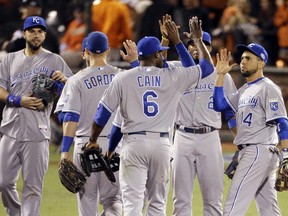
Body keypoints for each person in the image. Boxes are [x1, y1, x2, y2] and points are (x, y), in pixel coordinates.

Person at [86, 17, 214, 215]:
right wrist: (188, 40)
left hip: (134, 144)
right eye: (161, 53)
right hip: (162, 146)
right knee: (157, 203)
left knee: (132, 202)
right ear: (156, 55)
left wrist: (94, 140)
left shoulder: (123, 77)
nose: (164, 56)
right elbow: (206, 69)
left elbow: (103, 113)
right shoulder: (172, 77)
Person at [0, 15, 73, 216]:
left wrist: (65, 80)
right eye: (32, 31)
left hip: (37, 131)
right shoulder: (9, 59)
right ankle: (15, 212)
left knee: (33, 188)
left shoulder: (54, 60)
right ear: (24, 34)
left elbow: (73, 87)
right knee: (3, 183)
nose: (36, 34)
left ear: (44, 35)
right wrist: (18, 100)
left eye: (40, 31)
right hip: (10, 129)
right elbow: (0, 89)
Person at [57, 31, 134, 216]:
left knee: (87, 200)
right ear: (108, 50)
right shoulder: (122, 76)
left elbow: (70, 119)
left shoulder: (76, 81)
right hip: (115, 145)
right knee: (114, 200)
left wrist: (65, 151)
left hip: (85, 145)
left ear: (85, 52)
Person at [213, 44, 288, 215]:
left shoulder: (268, 87)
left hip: (258, 151)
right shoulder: (243, 91)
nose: (243, 62)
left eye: (249, 58)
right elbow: (219, 105)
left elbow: (282, 122)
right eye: (242, 59)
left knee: (233, 205)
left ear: (261, 64)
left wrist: (286, 153)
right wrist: (220, 75)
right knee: (268, 208)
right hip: (256, 152)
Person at [170, 31, 237, 216]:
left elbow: (231, 111)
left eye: (200, 44)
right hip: (182, 136)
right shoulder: (177, 72)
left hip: (210, 138)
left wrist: (240, 142)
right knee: (180, 200)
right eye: (191, 44)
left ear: (208, 48)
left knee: (213, 199)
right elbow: (155, 64)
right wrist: (166, 39)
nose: (195, 48)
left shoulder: (221, 74)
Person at [59, 3, 87, 73]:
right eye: (78, 12)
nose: (80, 15)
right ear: (74, 13)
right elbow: (65, 40)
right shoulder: (73, 24)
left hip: (80, 52)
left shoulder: (88, 24)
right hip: (70, 51)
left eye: (82, 12)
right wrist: (62, 49)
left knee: (59, 59)